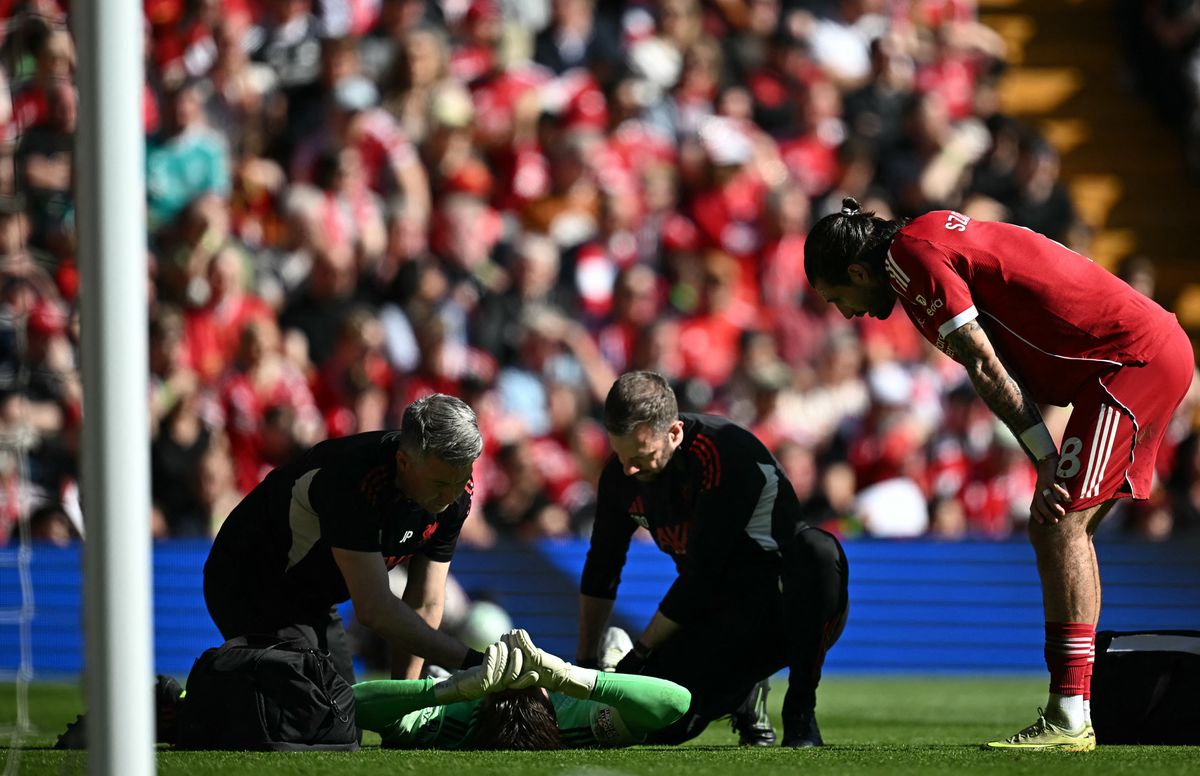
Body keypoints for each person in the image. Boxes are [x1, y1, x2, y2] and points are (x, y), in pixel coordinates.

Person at [804, 197, 1195, 751]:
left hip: (1129, 360)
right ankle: (1073, 706)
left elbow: (986, 366)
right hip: (1128, 357)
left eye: (837, 297)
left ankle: (1069, 714)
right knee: (1065, 530)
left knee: (1058, 525)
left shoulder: (911, 257)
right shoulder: (923, 238)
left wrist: (1044, 458)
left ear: (859, 271)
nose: (846, 313)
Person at [578, 371, 850, 747]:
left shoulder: (723, 453)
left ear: (674, 433)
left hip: (784, 608)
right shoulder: (621, 475)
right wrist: (586, 665)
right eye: (621, 456)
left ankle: (800, 709)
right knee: (661, 727)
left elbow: (702, 574)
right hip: (717, 613)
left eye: (641, 457)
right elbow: (602, 567)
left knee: (817, 550)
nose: (629, 471)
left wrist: (639, 655)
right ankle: (743, 693)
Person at [204, 393, 490, 685]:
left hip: (314, 598)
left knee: (345, 720)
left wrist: (407, 697)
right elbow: (374, 609)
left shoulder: (455, 488)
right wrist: (477, 662)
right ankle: (177, 710)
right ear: (404, 462)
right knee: (313, 719)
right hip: (249, 581)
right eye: (440, 484)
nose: (451, 495)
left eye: (460, 480)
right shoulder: (353, 481)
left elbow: (425, 602)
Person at [354, 628, 692, 749]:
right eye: (538, 683)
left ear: (481, 700)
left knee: (429, 674)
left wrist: (450, 688)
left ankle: (438, 674)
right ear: (551, 703)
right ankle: (608, 669)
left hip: (454, 699)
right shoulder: (579, 723)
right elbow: (676, 701)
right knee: (617, 643)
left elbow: (353, 705)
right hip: (582, 691)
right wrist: (568, 676)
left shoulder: (446, 723)